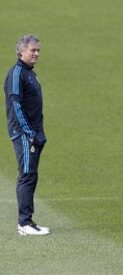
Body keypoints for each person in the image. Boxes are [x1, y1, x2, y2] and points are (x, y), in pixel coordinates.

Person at [4, 34, 50, 236]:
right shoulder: (17, 74)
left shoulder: (30, 73)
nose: (37, 54)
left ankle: (28, 222)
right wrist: (28, 132)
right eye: (33, 50)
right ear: (21, 51)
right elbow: (15, 103)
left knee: (31, 174)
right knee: (27, 175)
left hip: (34, 133)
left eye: (38, 50)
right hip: (25, 134)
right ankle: (24, 223)